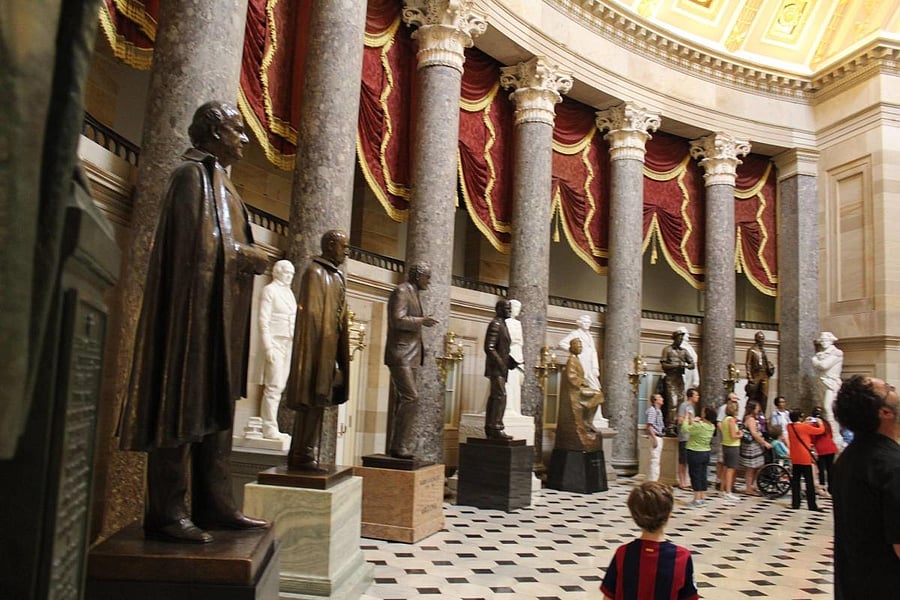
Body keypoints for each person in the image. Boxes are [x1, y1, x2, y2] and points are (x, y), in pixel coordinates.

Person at [119, 101, 269, 543]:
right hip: (193, 318)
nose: (244, 139)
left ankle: (216, 503)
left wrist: (243, 258)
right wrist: (245, 256)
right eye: (237, 130)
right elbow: (193, 250)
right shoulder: (191, 177)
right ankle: (167, 511)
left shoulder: (223, 183)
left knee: (217, 412)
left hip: (221, 316)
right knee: (181, 409)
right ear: (213, 131)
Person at [284, 230, 350, 470]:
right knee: (310, 400)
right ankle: (301, 454)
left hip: (329, 349)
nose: (346, 251)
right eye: (343, 246)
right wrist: (322, 349)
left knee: (320, 401)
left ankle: (307, 453)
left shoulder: (336, 276)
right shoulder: (314, 272)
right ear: (330, 245)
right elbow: (312, 315)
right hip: (316, 349)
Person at [832, 375, 900, 598]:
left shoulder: (846, 459)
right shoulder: (892, 465)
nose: (895, 389)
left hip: (853, 586)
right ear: (885, 412)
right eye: (889, 389)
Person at [600, 482, 699, 600]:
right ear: (668, 516)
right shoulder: (681, 556)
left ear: (634, 516)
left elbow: (608, 597)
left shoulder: (623, 553)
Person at [384, 262, 438, 459]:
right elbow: (397, 320)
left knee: (403, 399)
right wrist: (422, 321)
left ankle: (398, 445)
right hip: (400, 354)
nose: (429, 282)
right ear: (418, 276)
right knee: (411, 397)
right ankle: (399, 446)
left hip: (412, 354)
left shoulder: (414, 293)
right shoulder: (401, 291)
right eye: (427, 277)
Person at [257, 259, 297, 440]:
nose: (289, 276)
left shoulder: (288, 293)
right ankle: (268, 426)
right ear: (277, 272)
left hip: (288, 341)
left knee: (280, 385)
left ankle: (273, 425)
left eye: (291, 273)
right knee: (273, 386)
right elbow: (263, 320)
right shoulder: (270, 291)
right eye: (286, 272)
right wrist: (268, 347)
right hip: (275, 342)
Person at [555, 338, 603, 451]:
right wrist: (582, 381)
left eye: (581, 346)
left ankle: (588, 420)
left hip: (578, 389)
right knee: (598, 395)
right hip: (574, 392)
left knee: (598, 395)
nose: (580, 348)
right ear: (572, 347)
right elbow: (571, 377)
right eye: (578, 346)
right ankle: (587, 420)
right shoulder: (571, 360)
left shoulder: (576, 359)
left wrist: (583, 381)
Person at [484, 299, 518, 440]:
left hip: (501, 368)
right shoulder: (496, 324)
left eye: (510, 309)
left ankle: (491, 427)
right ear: (498, 309)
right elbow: (489, 347)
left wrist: (509, 361)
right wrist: (501, 363)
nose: (509, 311)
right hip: (496, 369)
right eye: (506, 308)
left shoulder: (502, 324)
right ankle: (496, 427)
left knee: (496, 397)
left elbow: (502, 348)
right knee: (500, 396)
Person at [811, 331, 844, 450]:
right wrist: (817, 361)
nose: (824, 342)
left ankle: (835, 435)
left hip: (831, 382)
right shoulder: (820, 354)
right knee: (823, 409)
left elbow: (824, 366)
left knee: (828, 408)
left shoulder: (837, 353)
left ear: (831, 341)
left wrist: (816, 361)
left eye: (826, 340)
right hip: (821, 382)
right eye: (822, 340)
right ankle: (827, 433)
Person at [787, 409, 825, 512]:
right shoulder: (804, 427)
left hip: (795, 457)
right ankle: (812, 505)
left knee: (796, 481)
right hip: (804, 457)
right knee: (809, 482)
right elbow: (820, 431)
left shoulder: (789, 427)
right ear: (800, 417)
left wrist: (804, 422)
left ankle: (795, 503)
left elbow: (797, 426)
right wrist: (820, 423)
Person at [682, 406, 717, 507]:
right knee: (702, 475)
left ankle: (696, 499)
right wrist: (694, 421)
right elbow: (697, 429)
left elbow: (685, 429)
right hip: (705, 452)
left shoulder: (700, 426)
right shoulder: (711, 426)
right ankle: (702, 497)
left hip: (695, 452)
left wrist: (686, 418)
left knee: (695, 475)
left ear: (706, 414)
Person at [661, 329, 696, 428]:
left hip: (679, 378)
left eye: (681, 338)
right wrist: (676, 365)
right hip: (670, 378)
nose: (680, 340)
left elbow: (692, 364)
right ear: (674, 339)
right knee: (673, 402)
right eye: (679, 338)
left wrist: (687, 365)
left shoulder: (684, 351)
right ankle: (670, 425)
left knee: (681, 402)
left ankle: (678, 424)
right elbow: (664, 365)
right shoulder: (667, 350)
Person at [558, 314, 601, 391]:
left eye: (588, 323)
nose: (587, 324)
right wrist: (573, 351)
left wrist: (595, 367)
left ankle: (595, 402)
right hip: (581, 361)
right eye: (585, 322)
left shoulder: (590, 336)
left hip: (590, 364)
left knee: (596, 387)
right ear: (580, 323)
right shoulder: (575, 333)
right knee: (584, 386)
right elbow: (561, 343)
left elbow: (594, 352)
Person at [739, 399, 772, 496]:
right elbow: (754, 433)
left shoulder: (754, 418)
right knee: (751, 468)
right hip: (751, 446)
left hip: (756, 446)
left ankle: (752, 485)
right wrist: (764, 442)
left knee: (757, 466)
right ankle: (749, 488)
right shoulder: (750, 419)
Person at [745, 331, 774, 414]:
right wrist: (749, 376)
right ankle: (749, 412)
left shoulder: (763, 351)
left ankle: (762, 414)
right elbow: (748, 364)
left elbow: (766, 362)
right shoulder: (751, 350)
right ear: (756, 339)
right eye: (761, 339)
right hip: (756, 375)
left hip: (765, 375)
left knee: (764, 396)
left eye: (763, 339)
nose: (763, 341)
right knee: (753, 395)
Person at [718, 396, 742, 501]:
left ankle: (722, 489)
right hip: (732, 446)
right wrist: (740, 434)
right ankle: (728, 491)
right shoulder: (731, 420)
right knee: (730, 469)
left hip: (725, 444)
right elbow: (733, 435)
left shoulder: (724, 420)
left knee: (725, 468)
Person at [504, 299, 525, 417]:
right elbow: (505, 339)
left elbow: (520, 342)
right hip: (508, 353)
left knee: (515, 381)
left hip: (517, 352)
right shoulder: (505, 322)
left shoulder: (518, 323)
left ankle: (513, 407)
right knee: (508, 380)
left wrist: (522, 363)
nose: (518, 311)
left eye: (519, 308)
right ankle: (507, 407)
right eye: (516, 307)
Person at [811, 406, 838, 497]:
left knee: (821, 469)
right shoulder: (826, 423)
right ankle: (832, 488)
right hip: (830, 447)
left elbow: (813, 438)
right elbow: (831, 435)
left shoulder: (814, 425)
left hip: (820, 448)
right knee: (830, 469)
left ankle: (822, 489)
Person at [676, 388, 699, 490]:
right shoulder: (684, 405)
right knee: (683, 461)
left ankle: (685, 481)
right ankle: (682, 482)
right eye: (696, 395)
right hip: (684, 437)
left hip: (690, 436)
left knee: (687, 461)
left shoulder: (691, 407)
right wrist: (693, 420)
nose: (698, 397)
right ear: (691, 396)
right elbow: (680, 420)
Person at [645, 393, 665, 482]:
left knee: (656, 461)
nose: (662, 399)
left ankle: (652, 480)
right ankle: (653, 481)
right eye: (659, 397)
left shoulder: (658, 411)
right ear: (655, 401)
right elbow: (649, 425)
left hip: (659, 436)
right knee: (655, 460)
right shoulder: (653, 410)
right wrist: (654, 439)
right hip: (655, 436)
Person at [675, 325, 699, 391]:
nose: (688, 335)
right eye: (686, 334)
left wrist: (696, 378)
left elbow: (694, 364)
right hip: (681, 373)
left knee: (687, 392)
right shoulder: (676, 347)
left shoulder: (690, 347)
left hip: (689, 372)